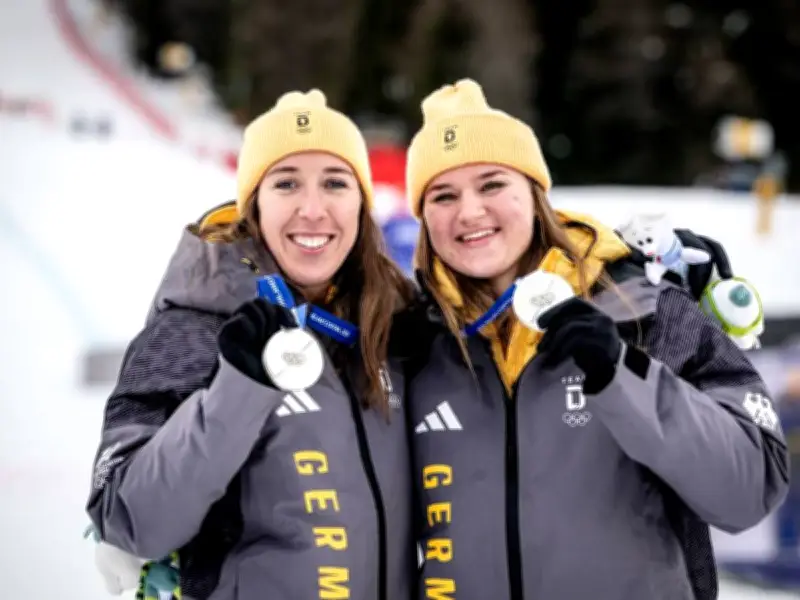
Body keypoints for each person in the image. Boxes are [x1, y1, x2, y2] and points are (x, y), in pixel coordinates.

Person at [403, 79, 790, 600]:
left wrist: (621, 374)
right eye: (442, 195)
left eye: (492, 184)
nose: (469, 212)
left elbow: (748, 490)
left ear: (535, 192)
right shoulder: (409, 342)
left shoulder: (646, 307)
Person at [85, 89, 418, 600]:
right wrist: (237, 389)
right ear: (254, 205)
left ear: (362, 202)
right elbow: (129, 520)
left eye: (335, 183)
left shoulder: (392, 327)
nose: (313, 209)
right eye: (286, 184)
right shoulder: (193, 326)